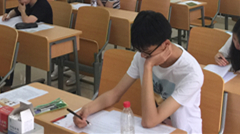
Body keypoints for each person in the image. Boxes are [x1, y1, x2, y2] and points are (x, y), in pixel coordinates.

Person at [73, 11, 203, 133]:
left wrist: (148, 67)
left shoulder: (191, 74)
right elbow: (115, 94)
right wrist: (86, 110)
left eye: (147, 53)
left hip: (181, 131)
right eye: (140, 51)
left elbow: (149, 122)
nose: (142, 56)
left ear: (166, 44)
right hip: (156, 128)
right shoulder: (144, 55)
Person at [3, 0, 53, 87]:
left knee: (12, 51)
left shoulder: (42, 4)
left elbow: (28, 20)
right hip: (31, 37)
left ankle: (7, 85)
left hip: (43, 40)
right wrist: (8, 16)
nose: (19, 1)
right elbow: (15, 11)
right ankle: (6, 83)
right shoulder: (27, 3)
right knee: (7, 49)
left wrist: (22, 11)